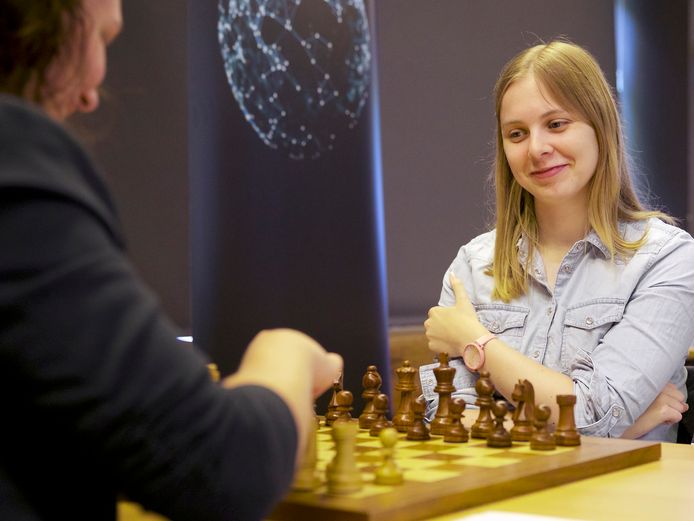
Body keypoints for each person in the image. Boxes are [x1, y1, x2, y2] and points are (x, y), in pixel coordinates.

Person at [0, 1, 342, 520]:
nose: (92, 93)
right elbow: (219, 466)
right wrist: (285, 355)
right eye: (102, 37)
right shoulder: (16, 164)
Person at [424, 40, 694, 442]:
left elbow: (596, 413)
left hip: (623, 501)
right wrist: (615, 428)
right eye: (516, 133)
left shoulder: (668, 258)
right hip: (499, 499)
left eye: (556, 124)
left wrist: (473, 340)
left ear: (600, 127)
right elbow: (446, 421)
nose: (537, 149)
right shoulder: (472, 265)